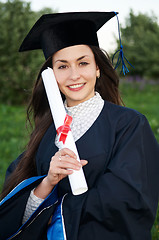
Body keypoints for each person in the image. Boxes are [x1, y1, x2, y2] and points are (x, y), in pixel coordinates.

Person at [0, 11, 159, 240]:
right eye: (62, 66)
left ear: (97, 68)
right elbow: (16, 201)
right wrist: (48, 182)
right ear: (51, 75)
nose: (74, 75)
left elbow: (127, 201)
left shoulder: (130, 125)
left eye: (83, 63)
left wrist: (53, 213)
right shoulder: (46, 131)